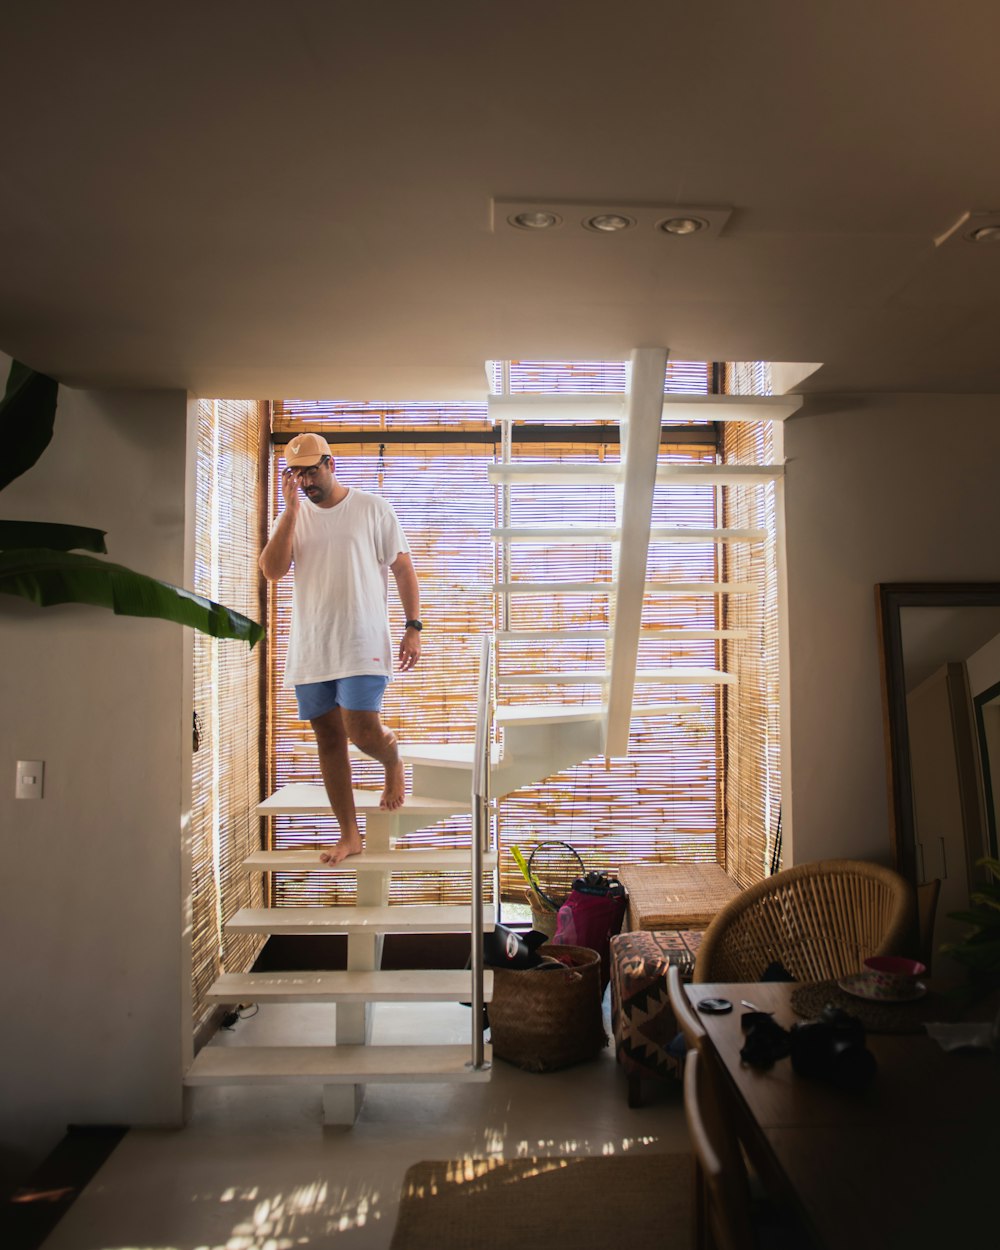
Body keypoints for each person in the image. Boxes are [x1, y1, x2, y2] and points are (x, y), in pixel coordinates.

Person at [259, 432, 422, 865]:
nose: (306, 480)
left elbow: (403, 568)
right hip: (312, 647)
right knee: (329, 740)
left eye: (312, 470)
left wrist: (413, 627)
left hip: (361, 640)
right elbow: (272, 571)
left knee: (362, 730)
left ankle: (392, 760)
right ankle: (349, 835)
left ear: (332, 464)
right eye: (297, 473)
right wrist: (291, 511)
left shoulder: (371, 508)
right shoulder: (291, 516)